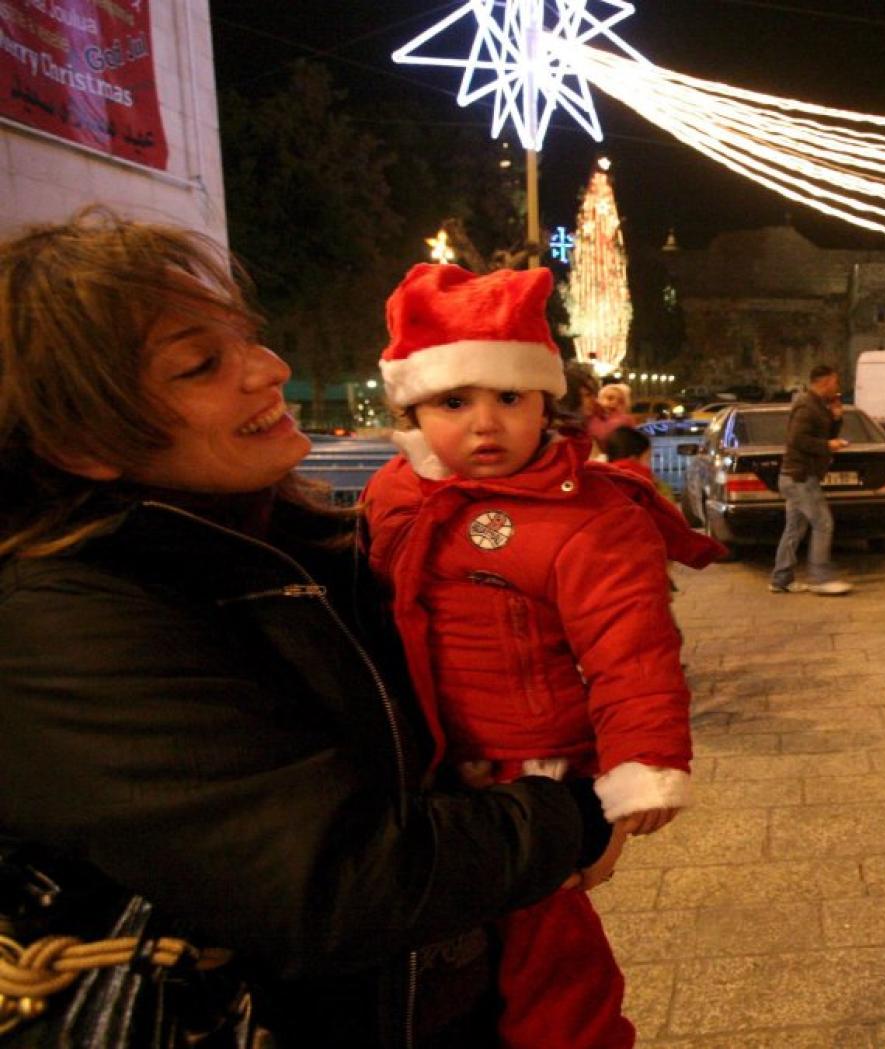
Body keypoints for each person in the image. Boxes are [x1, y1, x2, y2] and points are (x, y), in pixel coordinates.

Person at [0, 212, 621, 1047]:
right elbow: (334, 879)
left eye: (245, 337)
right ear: (82, 441)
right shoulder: (58, 619)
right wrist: (572, 816)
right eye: (200, 364)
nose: (270, 369)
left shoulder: (293, 544)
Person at [362, 263, 721, 1049]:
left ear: (545, 401)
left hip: (528, 773)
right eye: (456, 401)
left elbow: (634, 649)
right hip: (420, 771)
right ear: (414, 404)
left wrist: (644, 761)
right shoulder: (394, 493)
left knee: (552, 969)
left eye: (510, 398)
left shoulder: (588, 517)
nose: (485, 424)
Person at [769, 364, 853, 595]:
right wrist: (827, 445)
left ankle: (781, 579)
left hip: (798, 476)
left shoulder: (819, 406)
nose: (837, 387)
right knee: (823, 523)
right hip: (800, 477)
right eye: (835, 382)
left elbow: (824, 434)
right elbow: (797, 439)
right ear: (824, 382)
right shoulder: (806, 405)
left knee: (794, 528)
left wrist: (836, 419)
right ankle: (821, 578)